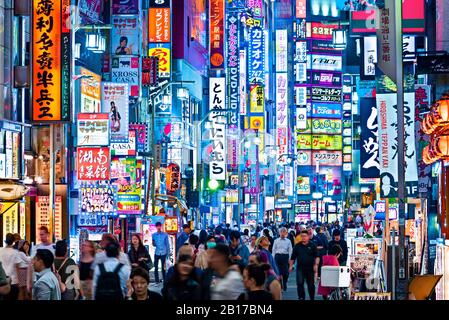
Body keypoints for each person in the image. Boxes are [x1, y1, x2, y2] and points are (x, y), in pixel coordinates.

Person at [289, 230, 319, 301]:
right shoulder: (297, 246)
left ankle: (312, 298)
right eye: (301, 236)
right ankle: (301, 297)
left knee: (311, 285)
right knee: (299, 283)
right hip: (300, 268)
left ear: (308, 236)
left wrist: (316, 265)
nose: (303, 238)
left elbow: (317, 256)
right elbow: (292, 258)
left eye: (305, 236)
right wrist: (290, 266)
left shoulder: (312, 245)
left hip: (310, 268)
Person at [0, 233, 20, 300]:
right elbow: (17, 268)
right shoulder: (15, 252)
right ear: (13, 241)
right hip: (13, 280)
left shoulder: (0, 250)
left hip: (2, 280)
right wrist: (19, 281)